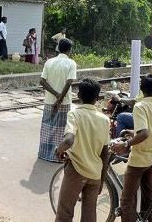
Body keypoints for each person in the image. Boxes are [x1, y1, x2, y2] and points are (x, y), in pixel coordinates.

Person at [111, 74, 152, 222]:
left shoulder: (140, 106)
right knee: (148, 196)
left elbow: (144, 133)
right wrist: (133, 132)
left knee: (127, 200)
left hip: (139, 158)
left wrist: (125, 144)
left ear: (142, 89)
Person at [54, 78, 110, 222]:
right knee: (89, 215)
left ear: (78, 96)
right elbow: (105, 153)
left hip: (76, 171)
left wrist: (58, 150)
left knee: (65, 213)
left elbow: (68, 140)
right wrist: (102, 179)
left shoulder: (74, 115)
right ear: (97, 98)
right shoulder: (104, 120)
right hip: (95, 174)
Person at [112, 55, 152, 137]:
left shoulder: (151, 81)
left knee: (121, 117)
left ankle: (120, 144)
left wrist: (120, 99)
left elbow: (135, 102)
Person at [38, 38, 77, 162]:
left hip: (49, 100)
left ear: (58, 48)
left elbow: (42, 81)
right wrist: (60, 99)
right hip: (64, 102)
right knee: (61, 129)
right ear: (69, 50)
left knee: (47, 127)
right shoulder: (71, 63)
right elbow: (69, 82)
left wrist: (55, 94)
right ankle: (58, 156)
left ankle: (44, 154)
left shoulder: (49, 62)